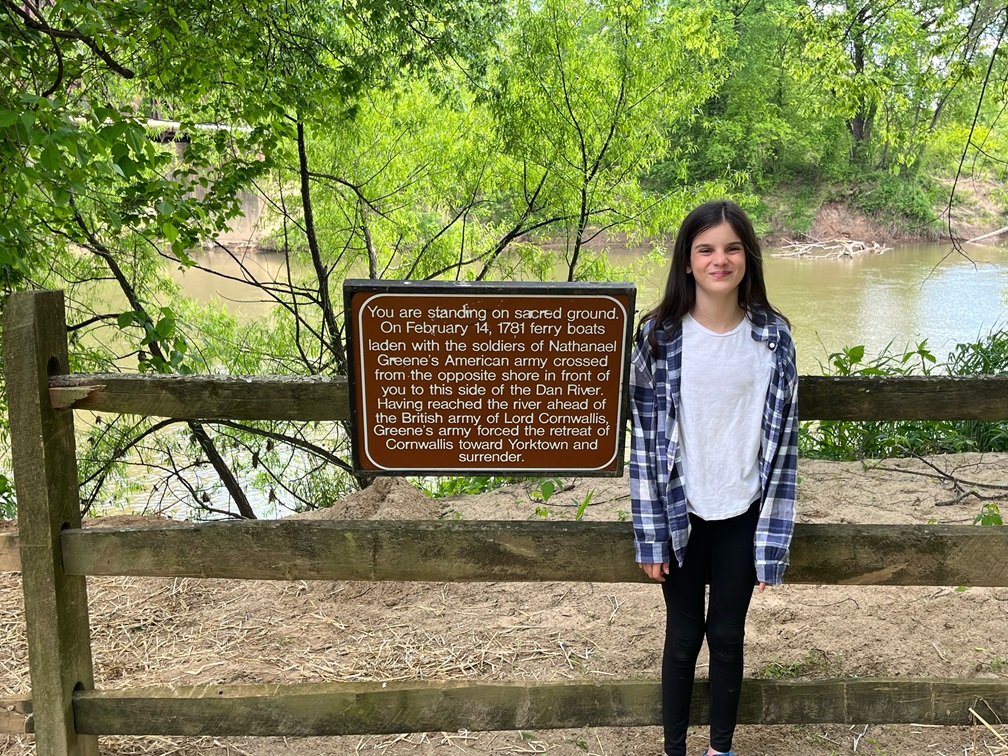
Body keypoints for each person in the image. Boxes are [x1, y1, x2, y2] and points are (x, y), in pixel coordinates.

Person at [629, 199, 798, 756]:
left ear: (748, 257)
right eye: (706, 249)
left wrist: (772, 543)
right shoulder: (658, 338)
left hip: (743, 513)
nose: (719, 260)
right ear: (687, 260)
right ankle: (674, 749)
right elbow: (646, 449)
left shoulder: (773, 339)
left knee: (726, 637)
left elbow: (785, 452)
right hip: (681, 513)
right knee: (682, 640)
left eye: (731, 248)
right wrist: (650, 534)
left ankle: (719, 750)